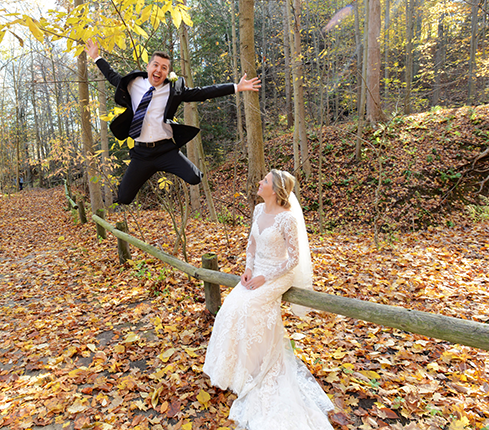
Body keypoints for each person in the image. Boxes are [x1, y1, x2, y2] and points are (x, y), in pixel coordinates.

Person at [203, 169, 334, 429]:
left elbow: (294, 260)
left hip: (278, 274)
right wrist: (249, 269)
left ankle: (259, 368)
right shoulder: (257, 211)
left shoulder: (288, 220)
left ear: (274, 190)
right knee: (231, 306)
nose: (259, 182)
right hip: (257, 271)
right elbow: (251, 244)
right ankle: (237, 370)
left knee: (250, 306)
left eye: (264, 181)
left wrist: (266, 277)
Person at [85, 39, 261, 205]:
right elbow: (112, 76)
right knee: (124, 198)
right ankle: (148, 170)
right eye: (156, 65)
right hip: (141, 153)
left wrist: (237, 87)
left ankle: (164, 167)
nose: (158, 70)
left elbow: (203, 92)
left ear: (167, 73)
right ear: (148, 67)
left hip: (165, 150)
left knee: (195, 178)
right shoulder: (133, 84)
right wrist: (96, 57)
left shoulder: (173, 90)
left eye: (164, 68)